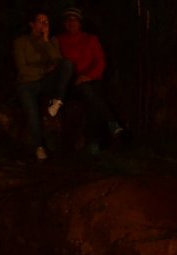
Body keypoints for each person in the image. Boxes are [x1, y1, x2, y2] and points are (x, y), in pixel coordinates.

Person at [56, 7, 124, 152]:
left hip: (91, 79)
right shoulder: (59, 40)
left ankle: (94, 141)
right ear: (64, 24)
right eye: (68, 20)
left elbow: (100, 61)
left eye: (74, 20)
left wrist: (88, 76)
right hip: (72, 83)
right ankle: (111, 123)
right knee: (88, 92)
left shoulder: (90, 39)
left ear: (80, 23)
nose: (71, 23)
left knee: (92, 94)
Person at [13, 9, 74, 161]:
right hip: (27, 84)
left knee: (67, 64)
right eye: (41, 21)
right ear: (32, 24)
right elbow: (23, 69)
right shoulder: (21, 42)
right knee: (32, 111)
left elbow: (58, 61)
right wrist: (44, 70)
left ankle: (57, 101)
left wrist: (46, 41)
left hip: (45, 82)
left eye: (47, 22)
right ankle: (38, 146)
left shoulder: (51, 41)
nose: (44, 24)